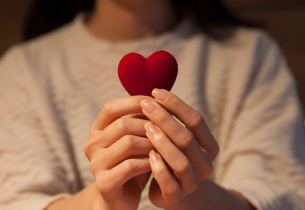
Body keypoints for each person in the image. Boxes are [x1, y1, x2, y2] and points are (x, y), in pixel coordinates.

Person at [0, 0, 305, 209]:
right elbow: (15, 200)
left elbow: (281, 194)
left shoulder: (251, 54)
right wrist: (102, 201)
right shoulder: (22, 70)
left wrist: (190, 194)